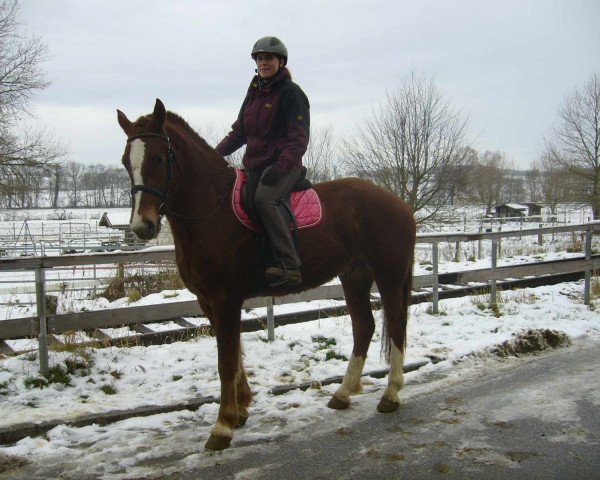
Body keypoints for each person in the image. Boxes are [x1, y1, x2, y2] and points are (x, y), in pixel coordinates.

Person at [215, 36, 310, 287]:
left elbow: (299, 139)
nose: (264, 62)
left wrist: (281, 167)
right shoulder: (254, 92)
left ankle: (290, 265)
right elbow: (240, 133)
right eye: (260, 58)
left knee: (264, 199)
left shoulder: (291, 93)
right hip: (256, 164)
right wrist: (213, 155)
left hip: (285, 165)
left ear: (281, 61)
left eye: (269, 58)